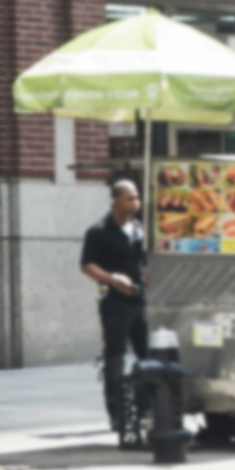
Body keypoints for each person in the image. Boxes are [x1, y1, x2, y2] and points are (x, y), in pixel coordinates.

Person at [82, 179, 150, 443]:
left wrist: (147, 282)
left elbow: (144, 263)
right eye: (130, 198)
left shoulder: (137, 229)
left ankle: (144, 408)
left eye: (137, 198)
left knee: (147, 355)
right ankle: (117, 414)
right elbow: (87, 265)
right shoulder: (99, 231)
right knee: (116, 357)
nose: (136, 203)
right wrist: (113, 279)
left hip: (139, 300)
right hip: (114, 302)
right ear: (116, 200)